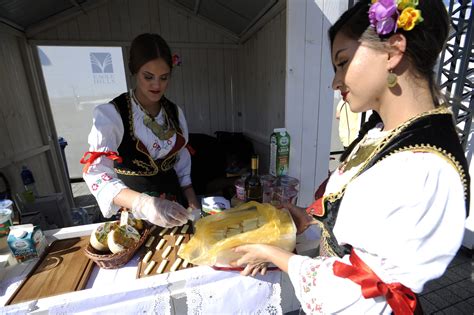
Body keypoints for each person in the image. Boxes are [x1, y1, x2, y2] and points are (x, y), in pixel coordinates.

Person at [232, 1, 470, 314]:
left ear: (393, 51)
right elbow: (361, 235)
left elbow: (361, 291)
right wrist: (312, 219)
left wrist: (276, 255)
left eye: (343, 62)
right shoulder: (384, 134)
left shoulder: (421, 166)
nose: (335, 81)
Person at [81, 33, 199, 228]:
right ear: (135, 72)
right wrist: (144, 204)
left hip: (173, 210)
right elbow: (96, 174)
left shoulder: (175, 113)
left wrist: (194, 206)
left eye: (164, 77)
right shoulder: (112, 115)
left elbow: (182, 165)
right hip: (131, 217)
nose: (156, 85)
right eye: (148, 76)